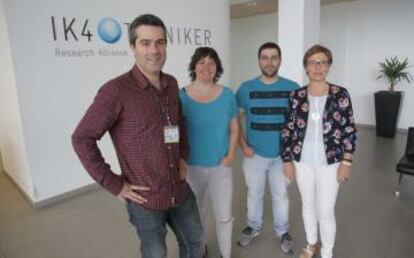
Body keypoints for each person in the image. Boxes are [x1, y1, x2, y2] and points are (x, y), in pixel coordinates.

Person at [71, 14, 203, 258]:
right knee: (155, 254)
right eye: (145, 43)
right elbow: (81, 138)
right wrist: (114, 183)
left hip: (179, 187)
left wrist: (183, 156)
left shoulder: (172, 83)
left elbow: (180, 122)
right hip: (145, 200)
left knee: (195, 243)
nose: (154, 50)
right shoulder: (116, 91)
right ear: (132, 47)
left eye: (160, 42)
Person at [281, 44, 357, 258]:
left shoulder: (340, 94)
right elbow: (287, 129)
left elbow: (349, 129)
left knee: (325, 211)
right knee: (307, 204)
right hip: (302, 161)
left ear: (329, 66)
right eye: (313, 62)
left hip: (331, 162)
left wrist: (347, 162)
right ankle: (312, 243)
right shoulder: (296, 96)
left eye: (323, 62)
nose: (318, 66)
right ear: (306, 66)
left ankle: (327, 252)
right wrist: (287, 161)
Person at [235, 42, 299, 254]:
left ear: (280, 60)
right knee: (254, 194)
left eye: (274, 57)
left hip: (282, 156)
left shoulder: (293, 88)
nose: (269, 62)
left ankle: (282, 231)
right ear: (259, 60)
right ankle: (253, 226)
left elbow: (298, 124)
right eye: (265, 57)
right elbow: (234, 120)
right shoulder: (246, 88)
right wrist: (243, 146)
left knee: (281, 195)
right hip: (254, 155)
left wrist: (291, 155)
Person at [179, 47, 239, 258]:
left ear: (217, 68)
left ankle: (226, 254)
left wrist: (231, 155)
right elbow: (173, 132)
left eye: (211, 62)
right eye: (202, 62)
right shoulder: (181, 96)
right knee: (197, 213)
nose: (206, 67)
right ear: (194, 66)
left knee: (224, 216)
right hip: (191, 168)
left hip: (220, 167)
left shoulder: (227, 95)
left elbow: (234, 128)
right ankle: (202, 248)